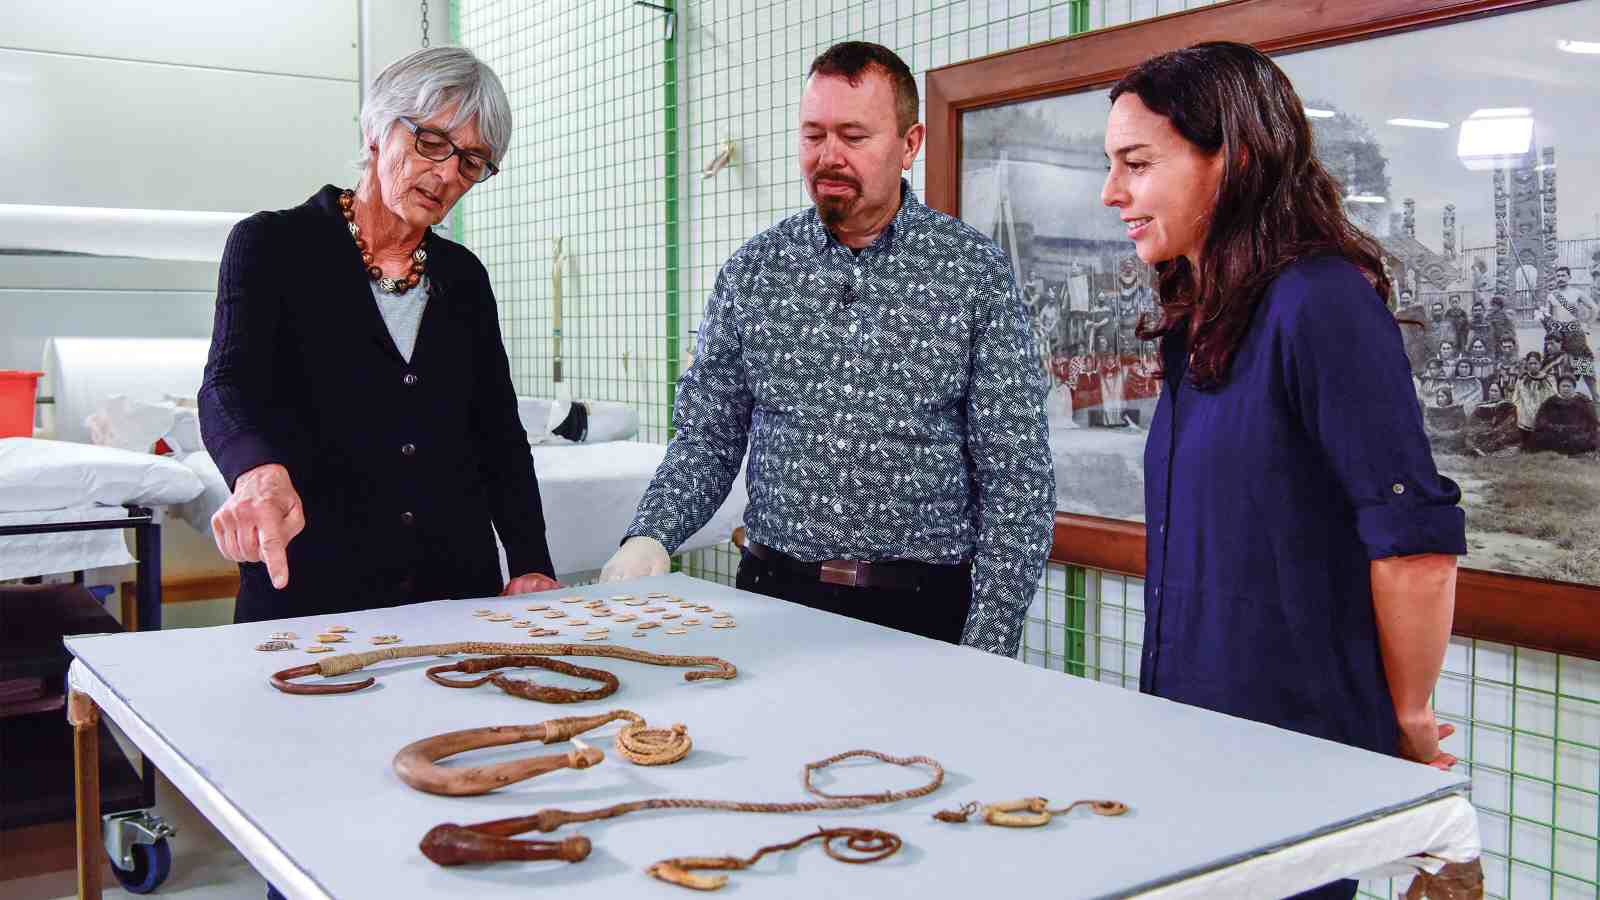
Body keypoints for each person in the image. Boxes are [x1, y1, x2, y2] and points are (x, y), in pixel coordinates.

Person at [1100, 42, 1464, 900]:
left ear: (1232, 158)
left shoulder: (1320, 302)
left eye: (1137, 164)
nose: (1111, 193)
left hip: (1292, 759)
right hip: (1195, 744)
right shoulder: (1204, 317)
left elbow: (1413, 540)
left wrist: (1407, 719)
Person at [600, 41, 1055, 657]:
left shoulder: (971, 272)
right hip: (773, 599)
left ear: (910, 144)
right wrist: (650, 535)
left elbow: (1016, 479)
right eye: (813, 134)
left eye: (853, 136)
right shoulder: (755, 271)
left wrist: (987, 644)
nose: (828, 156)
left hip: (921, 616)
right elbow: (708, 438)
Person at [199, 47, 560, 625]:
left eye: (471, 162)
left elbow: (497, 433)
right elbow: (227, 384)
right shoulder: (273, 245)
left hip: (454, 594)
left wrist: (530, 561)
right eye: (432, 142)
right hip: (314, 592)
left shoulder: (464, 278)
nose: (446, 174)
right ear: (375, 131)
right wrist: (257, 471)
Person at [1543, 266, 1598, 401]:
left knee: (1584, 367)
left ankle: (1596, 398)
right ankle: (1562, 399)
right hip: (1558, 336)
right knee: (1560, 367)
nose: (1560, 278)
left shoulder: (1577, 293)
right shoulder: (1551, 295)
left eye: (1563, 275)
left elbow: (1594, 308)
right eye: (1558, 276)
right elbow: (1548, 316)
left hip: (1575, 335)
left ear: (1569, 277)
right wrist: (1543, 315)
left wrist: (1588, 324)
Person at [1532, 374, 1600, 455]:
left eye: (1568, 386)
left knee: (1581, 440)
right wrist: (1554, 428)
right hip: (1555, 431)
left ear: (1574, 388)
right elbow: (1541, 419)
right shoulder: (1551, 401)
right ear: (1558, 388)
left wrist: (1573, 429)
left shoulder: (1583, 402)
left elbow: (1590, 422)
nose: (1566, 389)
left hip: (1576, 432)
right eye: (1563, 386)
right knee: (1542, 438)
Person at [1513, 350, 1561, 448]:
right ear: (1527, 364)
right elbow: (1515, 398)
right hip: (1525, 418)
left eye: (1535, 363)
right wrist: (1519, 411)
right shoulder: (1522, 379)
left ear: (1540, 363)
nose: (1533, 366)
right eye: (1530, 363)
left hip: (1543, 418)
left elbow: (1554, 397)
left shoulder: (1549, 379)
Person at [1465, 381, 1520, 457]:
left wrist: (1491, 431)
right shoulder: (1481, 406)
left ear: (1501, 393)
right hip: (1483, 435)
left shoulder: (1508, 407)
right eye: (1491, 390)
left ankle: (1483, 451)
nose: (1492, 394)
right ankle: (1477, 450)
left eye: (1495, 391)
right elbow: (1473, 423)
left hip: (1500, 437)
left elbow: (1508, 426)